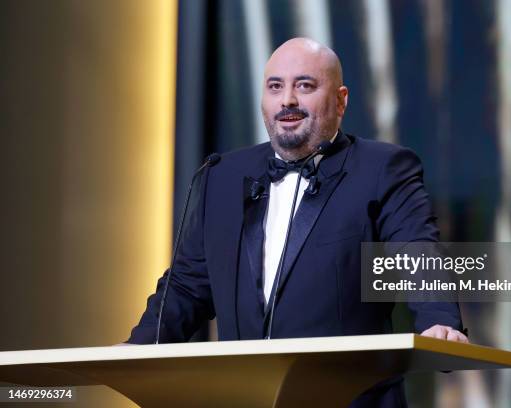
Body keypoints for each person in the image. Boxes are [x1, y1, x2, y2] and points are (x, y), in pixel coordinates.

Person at [127, 37, 467, 407]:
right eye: (276, 86)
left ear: (340, 101)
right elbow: (188, 285)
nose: (287, 99)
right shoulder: (221, 176)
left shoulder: (382, 169)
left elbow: (415, 251)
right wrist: (138, 349)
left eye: (304, 85)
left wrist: (440, 321)